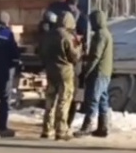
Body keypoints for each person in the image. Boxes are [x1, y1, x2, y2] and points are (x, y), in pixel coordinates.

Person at [39, 11, 81, 140]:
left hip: (51, 72)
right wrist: (79, 46)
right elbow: (75, 56)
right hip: (65, 73)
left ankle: (47, 128)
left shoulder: (48, 35)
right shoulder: (67, 37)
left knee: (50, 100)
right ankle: (61, 130)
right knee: (64, 100)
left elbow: (41, 53)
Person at [77, 10, 114, 138]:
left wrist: (86, 71)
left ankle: (87, 127)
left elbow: (96, 56)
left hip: (98, 72)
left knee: (93, 99)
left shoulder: (100, 35)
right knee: (103, 100)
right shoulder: (107, 33)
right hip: (106, 72)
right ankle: (103, 127)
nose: (91, 24)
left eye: (92, 21)